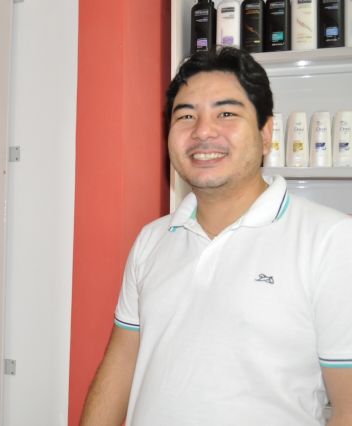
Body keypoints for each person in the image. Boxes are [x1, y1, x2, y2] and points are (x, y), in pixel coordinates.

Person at [80, 46, 352, 426]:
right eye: (186, 116)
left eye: (226, 113)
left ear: (266, 132)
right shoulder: (152, 240)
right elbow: (121, 364)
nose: (203, 131)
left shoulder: (330, 240)